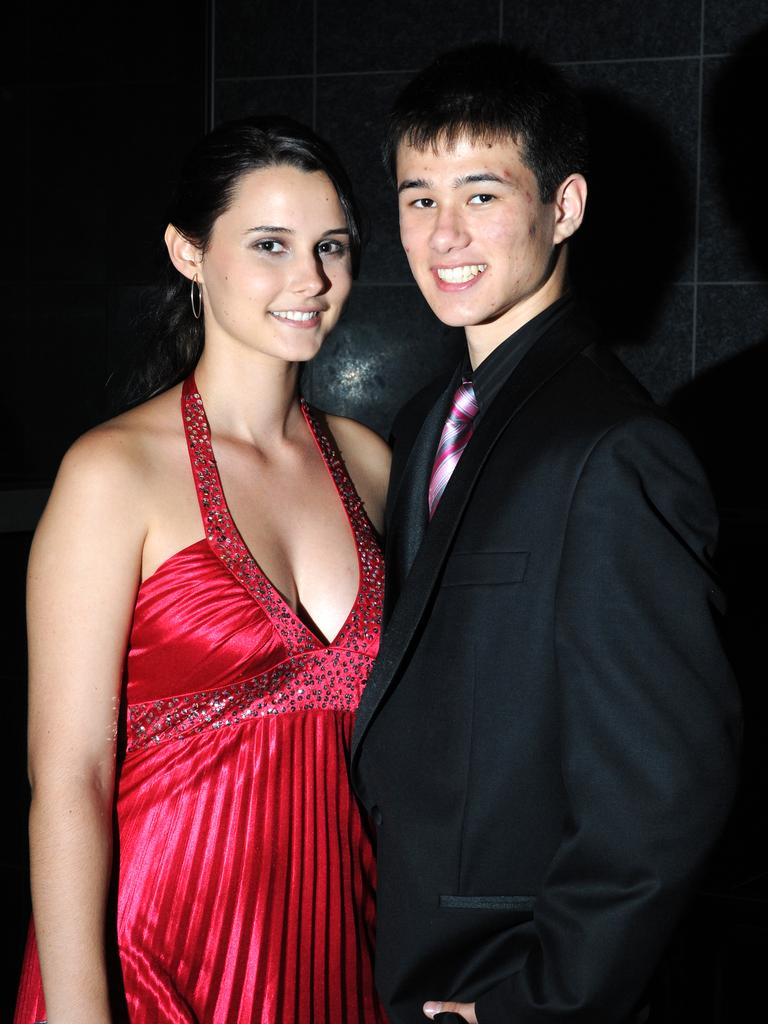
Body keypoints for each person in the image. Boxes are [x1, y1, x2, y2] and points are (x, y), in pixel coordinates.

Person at [350, 42, 742, 1024]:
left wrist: (537, 1002)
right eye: (417, 197)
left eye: (482, 194)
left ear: (562, 208)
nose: (444, 234)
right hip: (397, 956)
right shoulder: (423, 418)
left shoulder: (615, 448)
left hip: (504, 978)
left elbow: (665, 788)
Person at [15, 114, 391, 1023]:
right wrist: (78, 1009)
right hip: (157, 956)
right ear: (188, 253)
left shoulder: (374, 466)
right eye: (270, 245)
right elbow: (69, 775)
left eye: (330, 247)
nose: (310, 280)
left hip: (343, 949)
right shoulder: (112, 473)